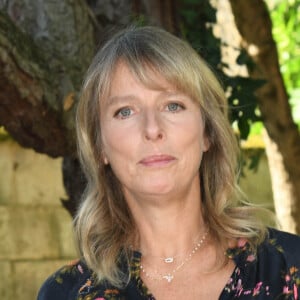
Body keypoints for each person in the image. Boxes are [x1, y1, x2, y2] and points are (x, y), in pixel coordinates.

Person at [37, 26, 300, 300]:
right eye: (125, 111)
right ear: (100, 146)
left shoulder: (288, 268)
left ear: (207, 132)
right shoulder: (65, 293)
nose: (152, 129)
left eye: (172, 105)